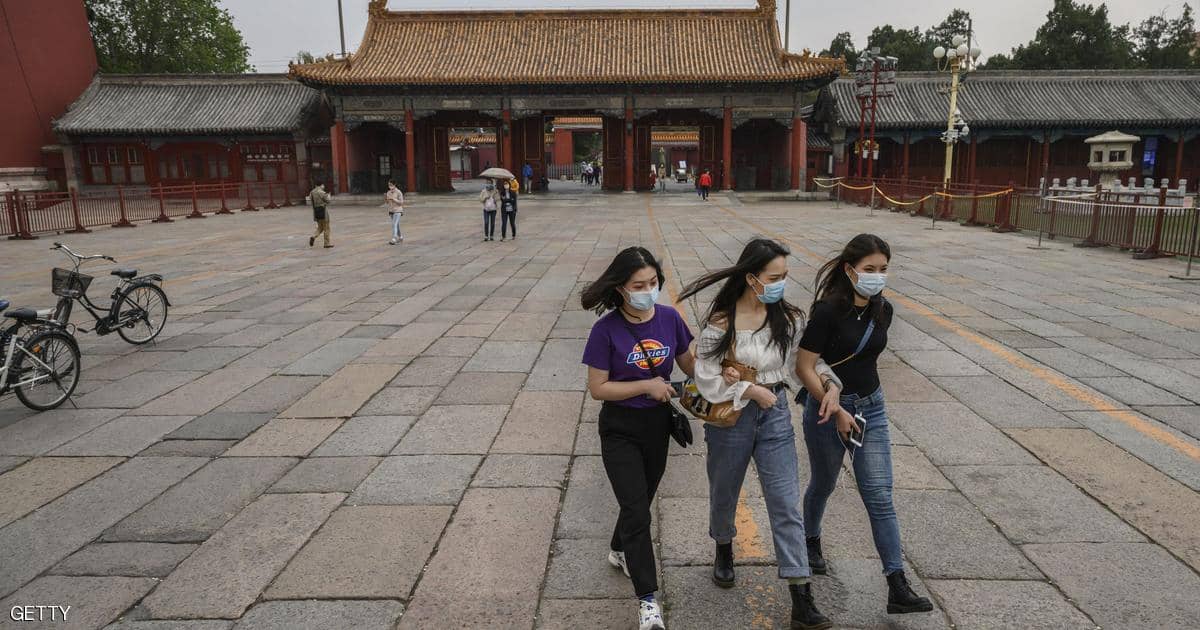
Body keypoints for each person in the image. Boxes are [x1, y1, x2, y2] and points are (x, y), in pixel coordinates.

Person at [679, 238, 840, 630]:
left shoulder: (789, 318)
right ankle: (723, 546)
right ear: (751, 278)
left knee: (785, 503)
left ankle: (801, 595)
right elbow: (704, 376)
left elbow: (805, 361)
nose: (781, 284)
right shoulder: (722, 321)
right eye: (774, 277)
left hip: (776, 414)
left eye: (784, 276)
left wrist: (830, 383)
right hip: (731, 416)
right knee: (724, 491)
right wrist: (748, 389)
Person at [796, 233, 934, 616]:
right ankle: (810, 539)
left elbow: (867, 359)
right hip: (828, 411)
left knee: (879, 494)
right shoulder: (827, 311)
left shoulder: (882, 309)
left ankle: (897, 583)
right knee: (823, 482)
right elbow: (804, 366)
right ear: (849, 269)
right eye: (869, 269)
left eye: (883, 269)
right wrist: (834, 405)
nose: (877, 276)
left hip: (871, 408)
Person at [581, 246, 696, 630]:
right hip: (620, 429)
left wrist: (720, 370)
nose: (648, 291)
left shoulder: (670, 318)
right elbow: (598, 388)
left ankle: (619, 549)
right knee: (638, 511)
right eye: (638, 285)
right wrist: (646, 385)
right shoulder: (605, 330)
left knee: (639, 501)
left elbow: (690, 364)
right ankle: (648, 601)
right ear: (620, 288)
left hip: (657, 427)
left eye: (653, 283)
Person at [308, 182, 332, 248]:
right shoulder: (321, 192)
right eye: (323, 185)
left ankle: (313, 236)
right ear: (321, 185)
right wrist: (329, 196)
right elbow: (328, 201)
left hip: (316, 212)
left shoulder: (312, 192)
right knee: (326, 228)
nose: (323, 186)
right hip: (323, 212)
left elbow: (311, 200)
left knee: (320, 228)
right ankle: (326, 243)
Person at [384, 180, 404, 245]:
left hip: (398, 210)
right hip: (391, 211)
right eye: (389, 185)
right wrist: (385, 198)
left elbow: (401, 202)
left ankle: (394, 238)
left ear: (394, 185)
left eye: (391, 185)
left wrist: (394, 199)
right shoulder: (388, 192)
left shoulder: (398, 192)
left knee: (394, 224)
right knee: (396, 225)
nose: (390, 186)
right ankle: (400, 237)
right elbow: (387, 202)